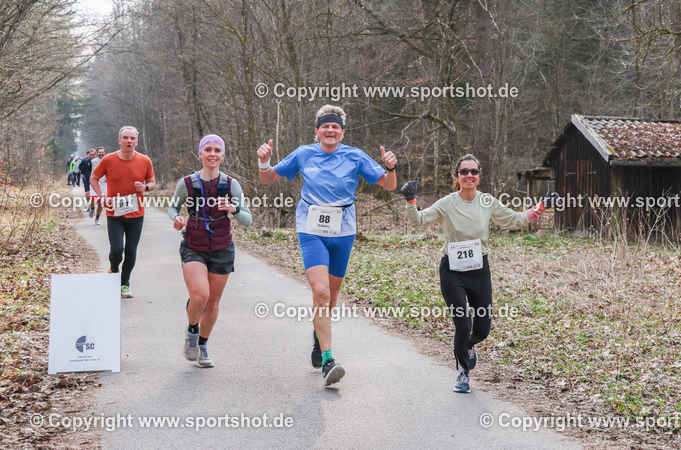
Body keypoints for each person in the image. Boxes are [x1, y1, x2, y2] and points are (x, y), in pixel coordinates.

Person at [257, 105, 397, 387]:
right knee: (319, 291)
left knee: (330, 299)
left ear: (342, 132)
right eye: (325, 126)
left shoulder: (355, 156)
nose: (330, 131)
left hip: (343, 231)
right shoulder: (304, 154)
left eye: (335, 127)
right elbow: (269, 177)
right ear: (317, 131)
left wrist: (392, 168)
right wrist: (264, 162)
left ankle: (318, 338)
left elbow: (390, 186)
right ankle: (329, 359)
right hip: (311, 229)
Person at [403, 155, 555, 393]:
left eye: (474, 171)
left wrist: (541, 207)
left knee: (481, 329)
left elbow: (514, 220)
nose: (469, 175)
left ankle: (468, 346)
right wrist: (411, 200)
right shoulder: (447, 203)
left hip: (479, 270)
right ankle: (463, 373)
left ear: (479, 175)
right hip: (452, 271)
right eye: (464, 172)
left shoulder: (487, 202)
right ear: (457, 176)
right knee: (463, 324)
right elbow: (419, 221)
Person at [168, 135, 252, 368]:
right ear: (200, 154)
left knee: (213, 303)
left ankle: (202, 346)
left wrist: (234, 209)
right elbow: (173, 206)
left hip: (221, 247)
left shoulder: (230, 184)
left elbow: (248, 219)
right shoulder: (187, 182)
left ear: (222, 155)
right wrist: (176, 217)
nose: (213, 154)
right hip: (193, 245)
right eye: (208, 150)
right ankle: (192, 330)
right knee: (200, 296)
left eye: (217, 150)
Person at [91, 130, 154, 298]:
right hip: (114, 213)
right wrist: (102, 196)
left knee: (131, 252)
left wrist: (145, 187)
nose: (129, 141)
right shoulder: (109, 159)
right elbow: (93, 178)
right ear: (119, 141)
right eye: (125, 138)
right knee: (117, 250)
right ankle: (113, 268)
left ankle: (124, 284)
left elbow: (152, 182)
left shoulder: (144, 160)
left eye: (132, 138)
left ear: (136, 142)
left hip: (136, 213)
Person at [91, 147, 107, 223]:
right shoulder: (93, 161)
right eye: (99, 152)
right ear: (97, 153)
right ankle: (92, 208)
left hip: (104, 183)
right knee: (94, 199)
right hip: (95, 182)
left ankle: (97, 218)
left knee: (101, 202)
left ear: (104, 153)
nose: (101, 153)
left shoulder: (108, 160)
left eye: (102, 152)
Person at [79, 149, 95, 217]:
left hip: (95, 180)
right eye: (90, 154)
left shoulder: (97, 161)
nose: (91, 156)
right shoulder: (85, 161)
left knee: (95, 196)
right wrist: (84, 174)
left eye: (93, 155)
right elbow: (81, 168)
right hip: (87, 179)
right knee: (88, 194)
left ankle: (92, 207)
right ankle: (88, 204)